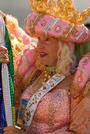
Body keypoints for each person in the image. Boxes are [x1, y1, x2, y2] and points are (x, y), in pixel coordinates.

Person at [0, 0, 90, 134]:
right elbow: (10, 102)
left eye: (47, 40)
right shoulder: (34, 73)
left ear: (63, 45)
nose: (40, 45)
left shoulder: (80, 84)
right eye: (39, 39)